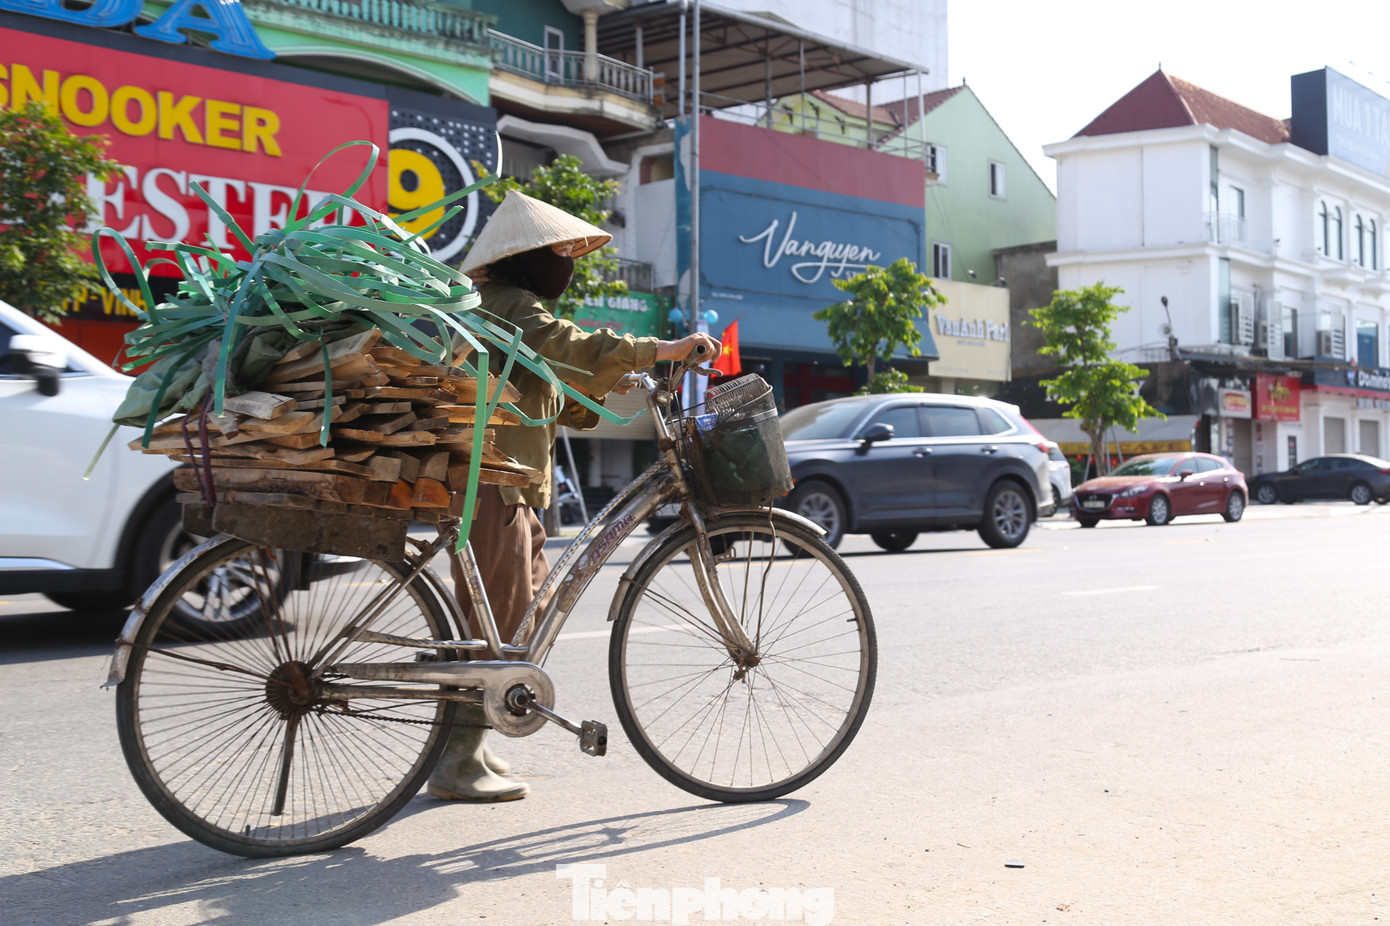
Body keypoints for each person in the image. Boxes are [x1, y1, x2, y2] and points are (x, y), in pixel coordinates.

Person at [427, 189, 718, 802]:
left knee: (512, 620)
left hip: (513, 488)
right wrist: (661, 349)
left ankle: (473, 743)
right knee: (491, 626)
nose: (568, 263)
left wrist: (638, 382)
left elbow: (561, 388)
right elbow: (565, 346)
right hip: (490, 486)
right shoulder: (508, 305)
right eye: (560, 251)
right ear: (525, 255)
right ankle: (455, 760)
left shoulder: (508, 305)